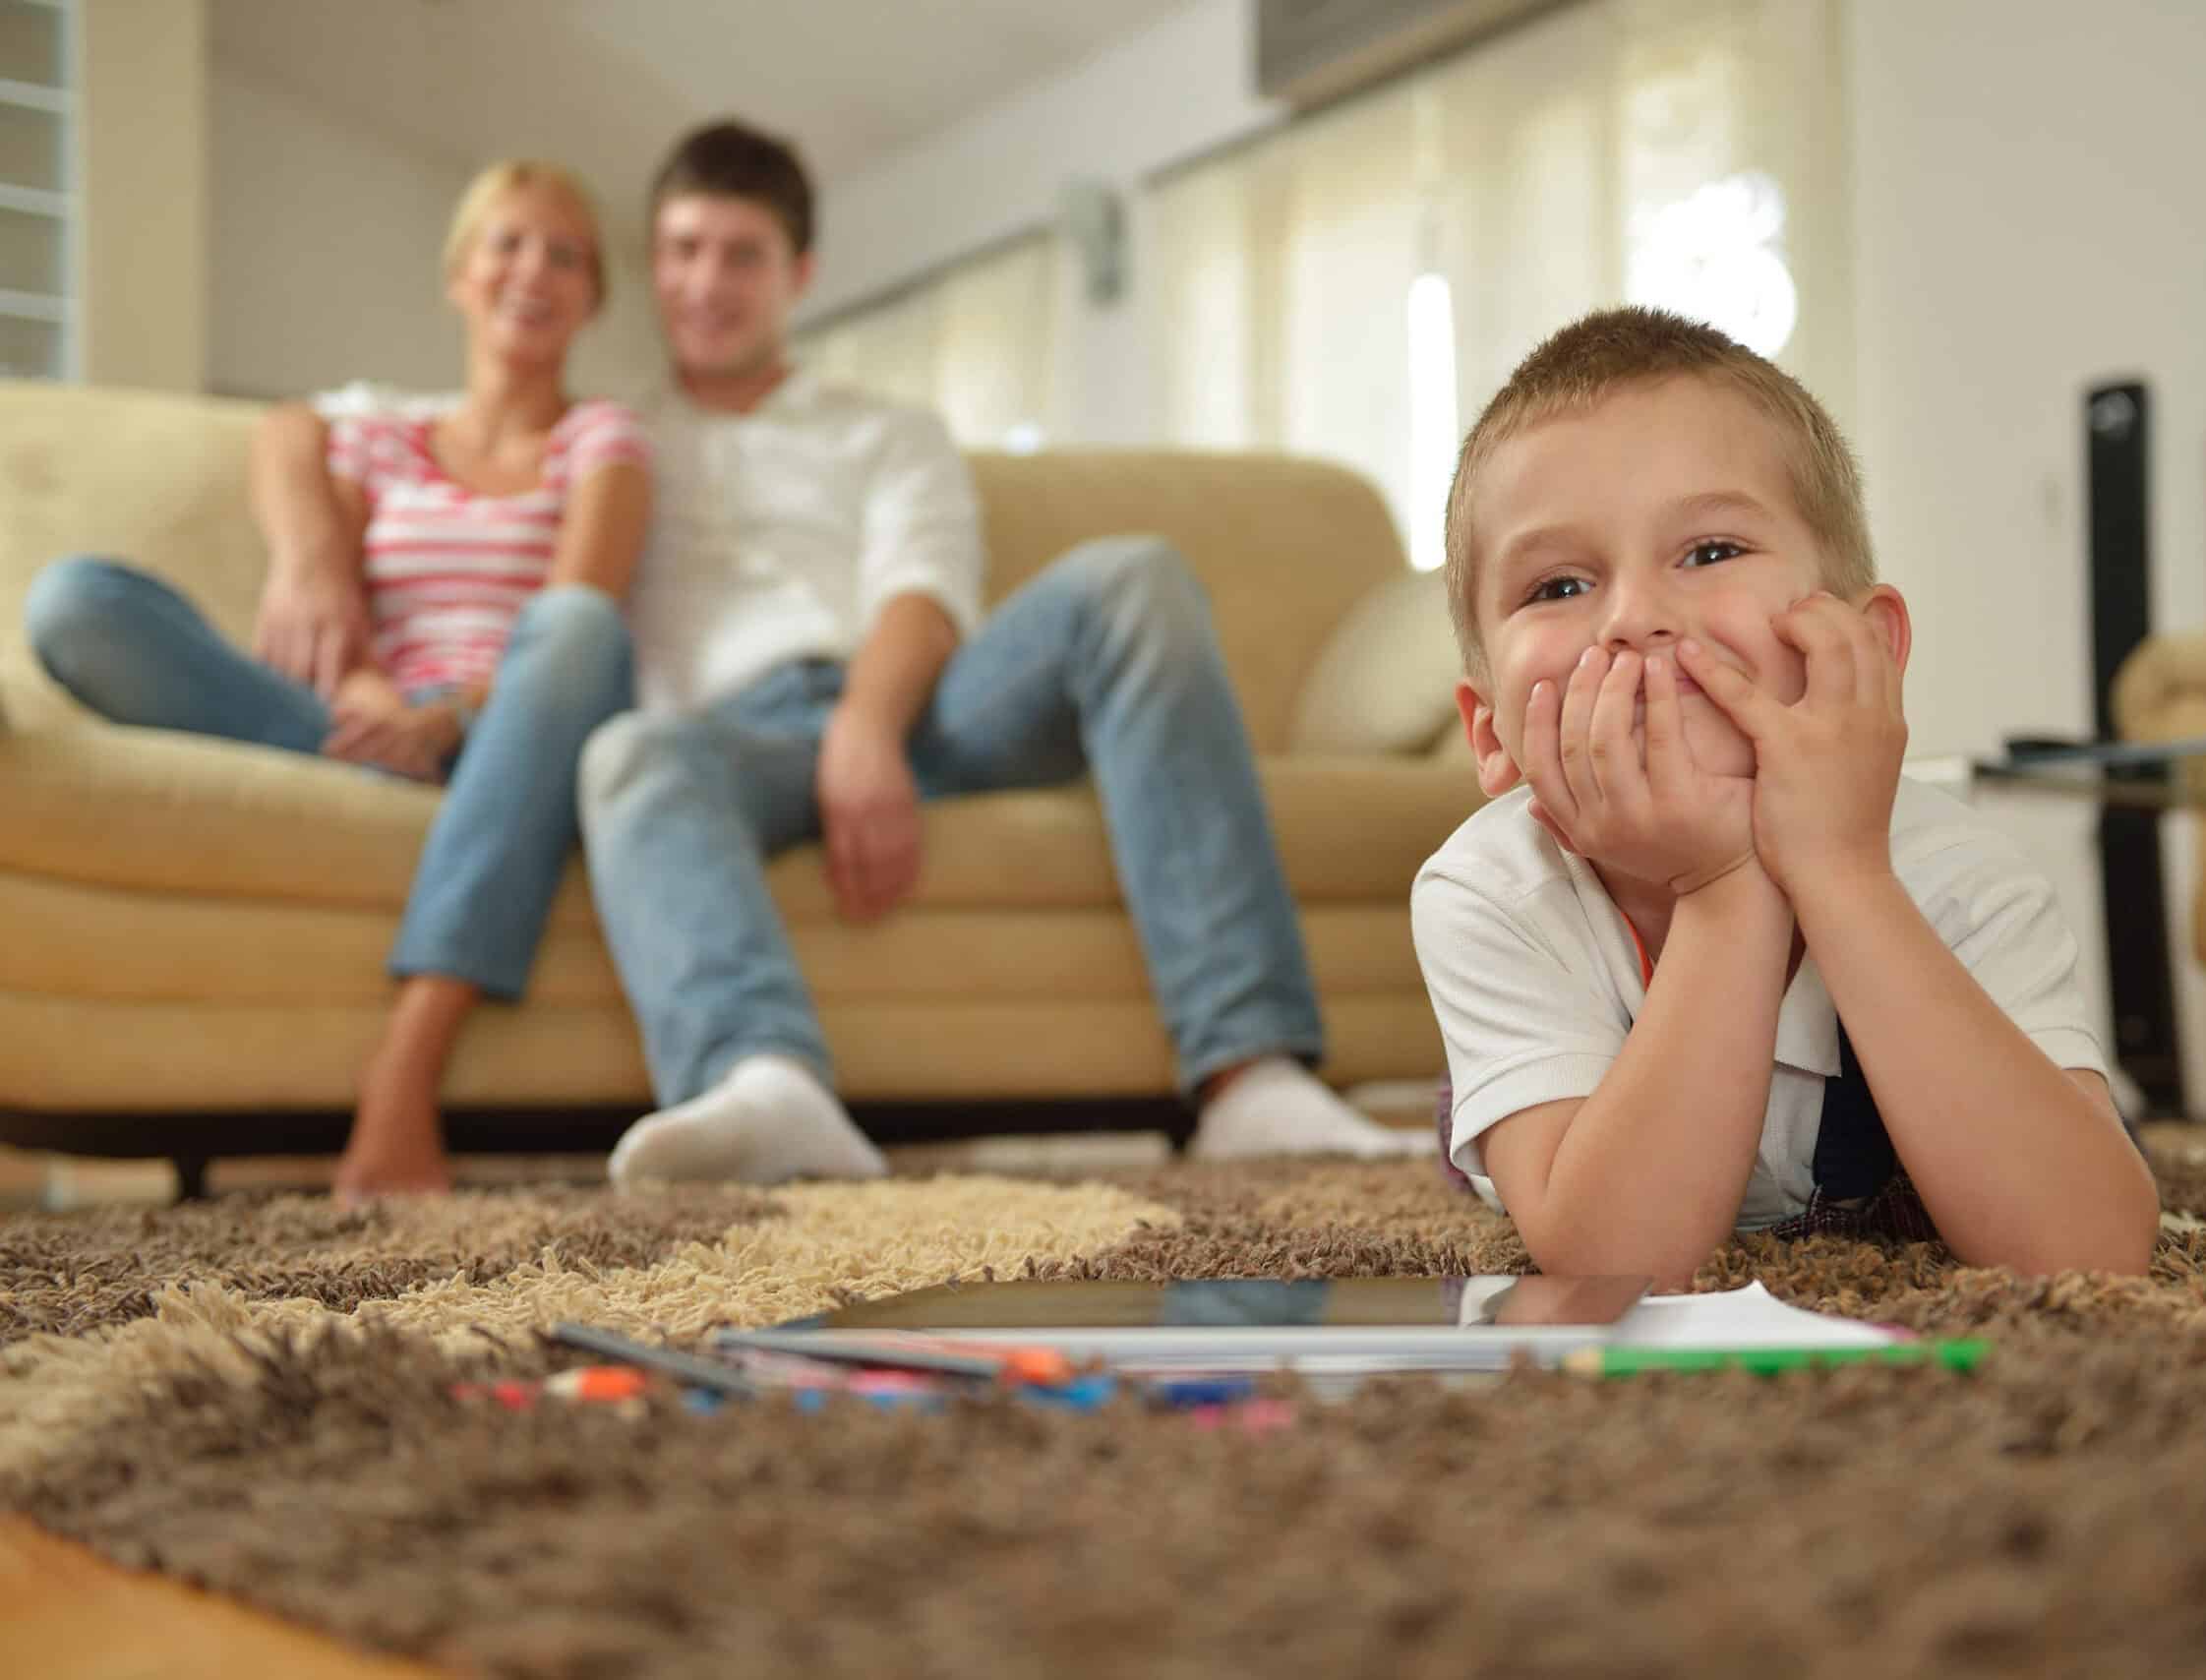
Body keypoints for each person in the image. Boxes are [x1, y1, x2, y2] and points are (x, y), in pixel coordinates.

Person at [250, 120, 1419, 1185]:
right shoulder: (602, 436)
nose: (706, 283)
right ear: (650, 268)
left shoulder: (883, 429)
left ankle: (1251, 1079)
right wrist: (309, 557)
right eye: (683, 250)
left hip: (920, 714)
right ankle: (768, 1091)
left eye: (741, 255)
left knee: (1134, 576)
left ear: (797, 276)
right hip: (719, 747)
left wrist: (866, 726)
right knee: (625, 760)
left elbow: (926, 587)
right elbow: (325, 421)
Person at [1412, 305, 2158, 1284]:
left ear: (1867, 647)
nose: (1634, 616)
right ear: (1491, 733)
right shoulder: (1491, 892)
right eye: (1558, 586)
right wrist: (1723, 886)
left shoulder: (1958, 875)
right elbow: (1614, 1261)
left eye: (1709, 552)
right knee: (1522, 1123)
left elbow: (2087, 1251)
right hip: (1562, 1097)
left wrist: (1841, 871)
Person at [24, 161, 652, 1203]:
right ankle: (401, 771)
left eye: (565, 252)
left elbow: (579, 615)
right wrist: (360, 683)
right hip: (360, 742)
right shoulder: (384, 437)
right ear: (459, 274)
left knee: (578, 628)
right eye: (507, 242)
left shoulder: (603, 441)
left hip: (511, 743)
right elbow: (306, 488)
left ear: (591, 297)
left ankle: (402, 1071)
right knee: (76, 601)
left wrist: (448, 719)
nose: (531, 269)